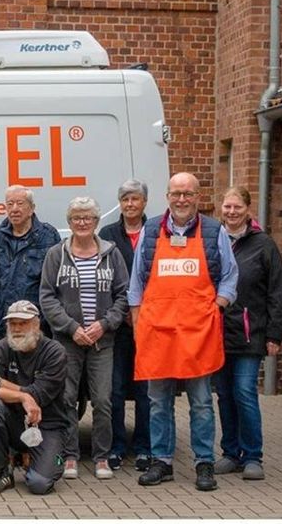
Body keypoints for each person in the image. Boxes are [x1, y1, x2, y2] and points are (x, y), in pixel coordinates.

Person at [129, 172, 238, 491]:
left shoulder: (214, 231)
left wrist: (217, 305)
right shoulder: (150, 230)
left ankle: (204, 463)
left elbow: (231, 276)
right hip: (158, 331)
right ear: (167, 196)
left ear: (197, 197)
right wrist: (138, 322)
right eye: (176, 193)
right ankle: (161, 461)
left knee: (202, 401)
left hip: (197, 332)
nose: (181, 199)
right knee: (158, 401)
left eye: (187, 194)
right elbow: (137, 282)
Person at [39, 197, 128, 480]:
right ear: (69, 222)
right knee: (65, 398)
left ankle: (102, 457)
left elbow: (124, 295)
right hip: (67, 341)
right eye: (76, 218)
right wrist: (71, 328)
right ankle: (70, 456)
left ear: (96, 222)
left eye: (87, 217)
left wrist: (104, 324)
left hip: (102, 341)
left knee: (103, 400)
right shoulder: (56, 254)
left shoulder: (111, 254)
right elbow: (47, 296)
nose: (81, 222)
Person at [213, 186, 282, 481]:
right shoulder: (214, 239)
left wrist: (274, 335)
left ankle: (253, 455)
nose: (231, 212)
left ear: (247, 208)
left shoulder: (263, 244)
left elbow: (277, 293)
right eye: (227, 207)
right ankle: (231, 453)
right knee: (224, 395)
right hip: (216, 333)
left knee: (244, 392)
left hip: (250, 333)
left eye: (237, 207)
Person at [0, 301, 68, 495]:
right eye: (12, 323)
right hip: (14, 422)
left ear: (36, 325)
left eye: (22, 323)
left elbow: (37, 394)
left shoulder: (55, 352)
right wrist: (23, 397)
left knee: (39, 484)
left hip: (47, 426)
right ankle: (2, 472)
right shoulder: (3, 347)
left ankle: (46, 458)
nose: (16, 329)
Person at [98, 179, 152, 471]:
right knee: (115, 389)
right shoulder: (107, 234)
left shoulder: (155, 231)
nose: (130, 204)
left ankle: (144, 447)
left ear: (144, 202)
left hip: (148, 324)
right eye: (125, 199)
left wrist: (141, 311)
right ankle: (117, 446)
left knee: (145, 391)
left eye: (135, 199)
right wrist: (123, 312)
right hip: (117, 325)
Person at [0, 185, 60, 361]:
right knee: (0, 376)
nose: (14, 209)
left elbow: (55, 282)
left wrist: (44, 318)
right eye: (10, 204)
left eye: (20, 203)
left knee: (33, 376)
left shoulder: (48, 236)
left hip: (35, 324)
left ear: (31, 208)